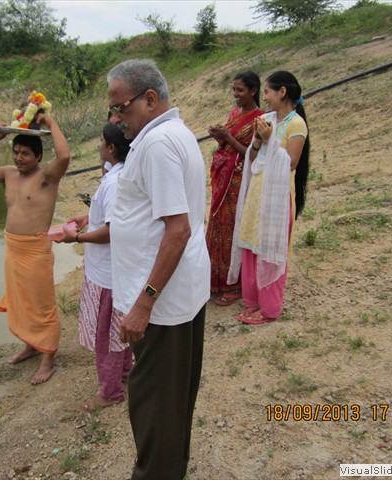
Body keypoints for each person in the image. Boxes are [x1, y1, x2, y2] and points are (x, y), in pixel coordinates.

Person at [107, 59, 210, 480]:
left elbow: (178, 229)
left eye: (121, 108)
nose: (116, 119)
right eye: (112, 111)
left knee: (153, 404)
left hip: (163, 306)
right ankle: (171, 469)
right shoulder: (173, 134)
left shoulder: (157, 144)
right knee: (171, 402)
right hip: (180, 295)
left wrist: (143, 305)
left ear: (150, 99)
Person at [0, 113, 70, 384]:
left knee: (42, 304)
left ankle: (48, 358)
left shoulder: (47, 177)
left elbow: (63, 157)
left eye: (25, 153)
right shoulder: (7, 174)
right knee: (20, 302)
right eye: (15, 152)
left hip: (35, 250)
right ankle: (29, 345)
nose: (18, 157)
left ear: (38, 156)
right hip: (12, 248)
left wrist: (51, 124)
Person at [58, 123, 133, 411]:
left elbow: (114, 230)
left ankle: (111, 391)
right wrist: (88, 215)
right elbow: (111, 215)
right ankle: (124, 375)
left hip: (108, 275)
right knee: (117, 332)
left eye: (101, 141)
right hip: (113, 272)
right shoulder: (119, 175)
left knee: (108, 336)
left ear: (111, 148)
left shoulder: (113, 182)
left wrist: (75, 237)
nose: (98, 145)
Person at [227, 70, 310, 325]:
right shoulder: (265, 119)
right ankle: (253, 302)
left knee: (270, 250)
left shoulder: (296, 124)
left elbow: (292, 163)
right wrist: (257, 141)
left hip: (277, 196)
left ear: (282, 92)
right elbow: (253, 157)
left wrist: (269, 138)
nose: (265, 97)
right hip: (257, 192)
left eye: (267, 92)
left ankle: (269, 309)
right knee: (252, 244)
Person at [206, 71, 265, 306]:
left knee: (234, 229)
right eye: (234, 90)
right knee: (217, 227)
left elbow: (252, 154)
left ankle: (236, 284)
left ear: (254, 91)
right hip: (223, 180)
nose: (235, 94)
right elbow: (229, 144)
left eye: (240, 90)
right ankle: (217, 281)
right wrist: (219, 137)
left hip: (240, 183)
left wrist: (227, 137)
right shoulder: (234, 113)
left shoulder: (261, 119)